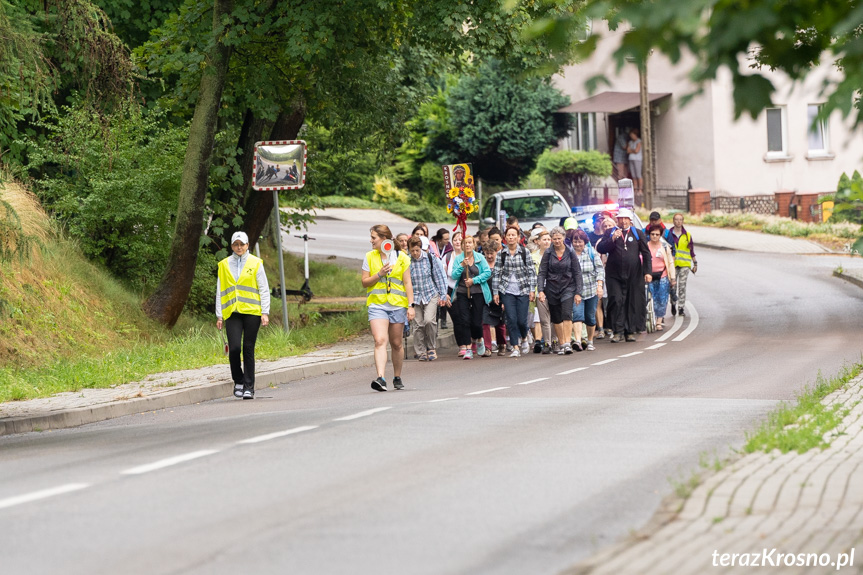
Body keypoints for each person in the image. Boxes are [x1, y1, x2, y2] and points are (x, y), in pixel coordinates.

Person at [216, 231, 271, 400]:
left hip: (252, 312)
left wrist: (265, 312)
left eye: (242, 244)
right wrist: (219, 315)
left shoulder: (256, 263)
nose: (239, 247)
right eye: (236, 244)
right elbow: (220, 290)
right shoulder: (224, 265)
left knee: (248, 348)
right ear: (232, 246)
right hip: (232, 312)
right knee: (233, 349)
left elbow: (263, 288)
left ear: (248, 245)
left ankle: (249, 387)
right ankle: (238, 380)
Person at [361, 224, 415, 391]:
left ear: (384, 239)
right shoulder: (369, 256)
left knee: (397, 343)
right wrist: (379, 274)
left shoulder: (402, 257)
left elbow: (407, 282)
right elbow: (364, 282)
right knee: (379, 341)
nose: (371, 241)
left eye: (373, 238)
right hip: (377, 305)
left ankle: (397, 376)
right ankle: (381, 378)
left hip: (397, 305)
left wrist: (411, 305)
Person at [597, 208, 652, 342]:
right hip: (614, 274)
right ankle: (617, 331)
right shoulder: (610, 232)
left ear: (630, 220)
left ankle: (630, 330)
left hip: (634, 274)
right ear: (617, 220)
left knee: (631, 301)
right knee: (616, 300)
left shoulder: (637, 233)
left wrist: (648, 272)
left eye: (625, 219)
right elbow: (601, 248)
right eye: (620, 219)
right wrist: (613, 238)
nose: (623, 221)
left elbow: (646, 253)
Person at [492, 225, 537, 357]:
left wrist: (532, 290)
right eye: (508, 235)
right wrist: (496, 292)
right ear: (505, 238)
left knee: (522, 320)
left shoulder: (524, 252)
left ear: (518, 237)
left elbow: (531, 272)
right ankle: (515, 346)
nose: (511, 237)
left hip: (522, 289)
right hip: (507, 290)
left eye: (513, 235)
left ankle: (524, 337)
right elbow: (497, 273)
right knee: (511, 318)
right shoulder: (501, 254)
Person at [538, 226, 583, 355]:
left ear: (563, 238)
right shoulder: (548, 253)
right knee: (556, 318)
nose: (557, 241)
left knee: (567, 314)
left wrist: (578, 292)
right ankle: (562, 343)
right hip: (552, 288)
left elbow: (577, 273)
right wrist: (541, 290)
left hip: (568, 287)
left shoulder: (570, 252)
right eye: (554, 239)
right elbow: (542, 273)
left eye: (559, 238)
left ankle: (568, 343)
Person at [451, 235, 492, 360]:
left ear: (473, 244)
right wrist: (462, 266)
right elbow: (454, 275)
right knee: (465, 320)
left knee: (476, 321)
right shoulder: (459, 259)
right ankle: (468, 348)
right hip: (463, 292)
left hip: (478, 292)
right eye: (465, 243)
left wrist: (474, 280)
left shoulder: (480, 257)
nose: (467, 245)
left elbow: (487, 272)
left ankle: (479, 338)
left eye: (469, 243)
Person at [408, 236, 449, 361]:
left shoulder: (431, 259)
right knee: (418, 324)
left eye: (417, 250)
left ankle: (431, 347)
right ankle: (421, 351)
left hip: (430, 294)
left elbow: (439, 277)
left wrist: (443, 294)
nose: (415, 253)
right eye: (412, 251)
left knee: (429, 321)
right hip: (415, 297)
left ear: (421, 248)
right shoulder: (407, 262)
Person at [570, 229, 604, 351]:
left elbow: (600, 270)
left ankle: (589, 340)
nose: (577, 244)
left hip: (591, 290)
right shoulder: (569, 254)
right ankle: (578, 340)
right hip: (576, 292)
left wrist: (599, 286)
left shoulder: (591, 253)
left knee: (590, 317)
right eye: (575, 241)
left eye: (580, 241)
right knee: (577, 315)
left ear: (585, 242)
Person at [667, 213, 698, 317]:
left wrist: (695, 263)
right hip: (673, 265)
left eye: (680, 219)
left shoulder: (687, 235)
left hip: (684, 265)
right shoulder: (668, 234)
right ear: (673, 221)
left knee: (682, 287)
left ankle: (681, 308)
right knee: (673, 286)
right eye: (676, 219)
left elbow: (691, 251)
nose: (679, 221)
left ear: (683, 221)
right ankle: (673, 303)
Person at [646, 224, 676, 331]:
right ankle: (650, 319)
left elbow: (670, 262)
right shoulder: (645, 246)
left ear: (660, 235)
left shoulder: (664, 246)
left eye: (657, 234)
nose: (654, 236)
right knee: (649, 298)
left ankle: (659, 321)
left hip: (662, 276)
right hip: (648, 276)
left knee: (662, 299)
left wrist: (672, 278)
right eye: (652, 234)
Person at [529, 229, 554, 353]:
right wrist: (533, 291)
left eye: (549, 239)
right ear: (538, 242)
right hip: (539, 290)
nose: (547, 242)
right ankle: (547, 343)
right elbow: (531, 275)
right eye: (544, 239)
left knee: (554, 317)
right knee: (544, 319)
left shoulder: (555, 254)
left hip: (554, 289)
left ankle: (555, 341)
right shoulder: (532, 256)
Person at [443, 231, 463, 332]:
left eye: (460, 239)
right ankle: (462, 345)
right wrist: (444, 294)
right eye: (455, 240)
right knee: (456, 320)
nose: (457, 242)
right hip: (451, 292)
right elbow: (442, 277)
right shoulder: (447, 257)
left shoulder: (470, 256)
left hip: (465, 291)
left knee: (466, 319)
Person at [627, 128, 643, 200]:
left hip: (637, 159)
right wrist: (631, 150)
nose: (631, 137)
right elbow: (627, 151)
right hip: (631, 159)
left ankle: (640, 190)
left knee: (638, 174)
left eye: (632, 135)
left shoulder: (639, 141)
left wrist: (631, 150)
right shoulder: (630, 142)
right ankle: (635, 189)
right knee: (633, 175)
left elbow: (637, 151)